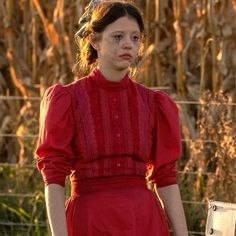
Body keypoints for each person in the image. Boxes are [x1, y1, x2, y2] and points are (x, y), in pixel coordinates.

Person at [36, 1, 189, 236]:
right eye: (118, 37)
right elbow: (54, 176)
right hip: (90, 222)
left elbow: (165, 177)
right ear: (95, 41)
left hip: (143, 222)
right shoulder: (68, 100)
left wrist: (183, 234)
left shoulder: (153, 103)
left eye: (135, 37)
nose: (128, 44)